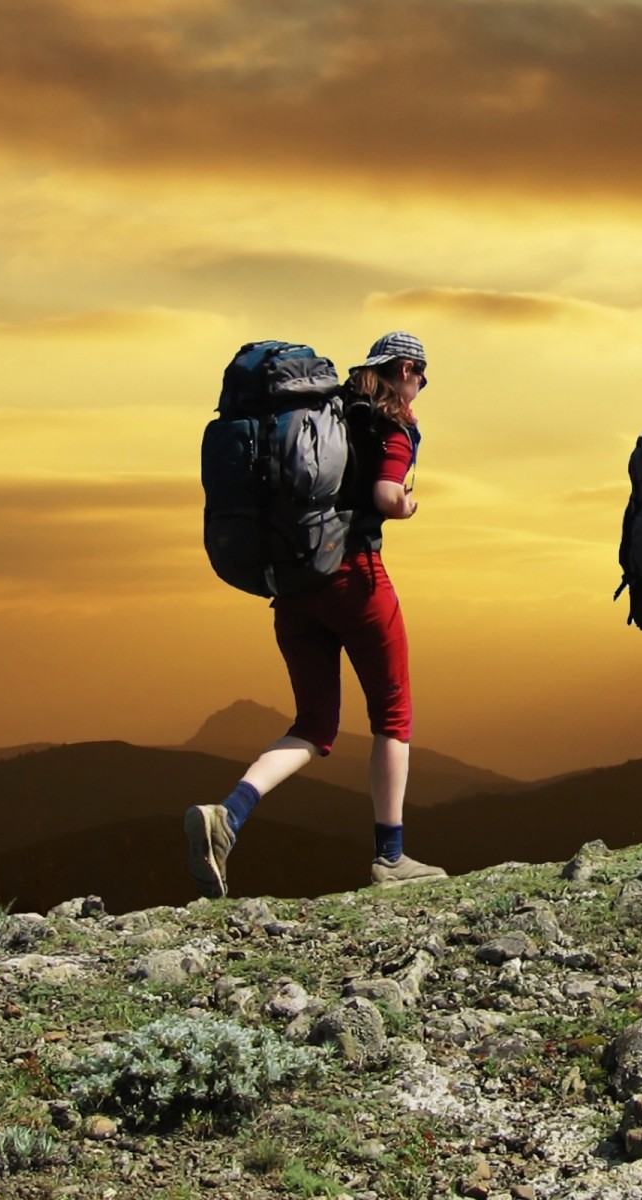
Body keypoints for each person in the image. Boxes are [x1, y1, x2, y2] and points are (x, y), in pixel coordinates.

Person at [185, 331, 447, 897]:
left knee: (313, 724)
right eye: (422, 375)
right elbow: (382, 495)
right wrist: (406, 504)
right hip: (356, 579)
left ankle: (227, 815)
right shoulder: (393, 420)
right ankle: (391, 857)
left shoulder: (324, 412)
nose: (422, 386)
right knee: (393, 717)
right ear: (405, 368)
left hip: (296, 583)